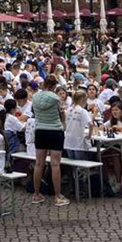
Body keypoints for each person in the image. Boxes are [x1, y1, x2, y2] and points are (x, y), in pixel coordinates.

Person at [31, 77, 69, 206]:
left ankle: (36, 194)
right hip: (55, 131)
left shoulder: (35, 97)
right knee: (55, 165)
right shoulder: (55, 98)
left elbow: (35, 113)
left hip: (40, 130)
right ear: (54, 85)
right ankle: (57, 196)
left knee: (39, 164)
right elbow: (62, 113)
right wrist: (63, 124)